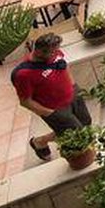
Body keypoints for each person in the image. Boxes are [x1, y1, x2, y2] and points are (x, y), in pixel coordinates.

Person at [12, 33, 92, 162]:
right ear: (39, 52)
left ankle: (39, 141)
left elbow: (64, 65)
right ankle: (81, 161)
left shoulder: (55, 53)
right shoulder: (23, 75)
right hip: (55, 109)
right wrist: (50, 113)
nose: (56, 53)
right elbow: (25, 101)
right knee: (76, 135)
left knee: (85, 123)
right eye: (52, 52)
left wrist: (74, 86)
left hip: (73, 95)